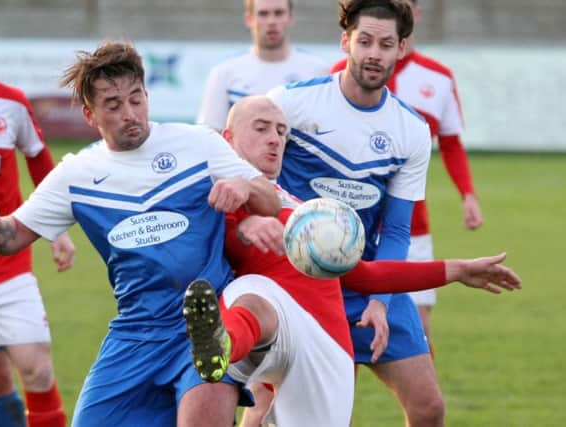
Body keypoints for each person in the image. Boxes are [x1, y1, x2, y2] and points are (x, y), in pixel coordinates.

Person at [0, 40, 281, 427]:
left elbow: (269, 200)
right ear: (90, 114)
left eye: (136, 99)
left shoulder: (197, 143)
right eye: (113, 105)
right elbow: (9, 238)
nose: (130, 113)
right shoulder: (76, 174)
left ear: (147, 96)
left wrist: (245, 188)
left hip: (205, 327)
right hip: (135, 333)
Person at [182, 96, 521, 426]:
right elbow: (205, 239)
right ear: (228, 138)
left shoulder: (301, 209)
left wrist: (457, 270)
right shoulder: (212, 192)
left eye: (282, 131)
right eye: (261, 128)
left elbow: (366, 276)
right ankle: (221, 344)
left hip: (325, 344)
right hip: (266, 326)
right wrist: (244, 225)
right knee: (254, 296)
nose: (275, 139)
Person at [267, 0, 448, 425]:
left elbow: (399, 229)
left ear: (402, 48)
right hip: (300, 281)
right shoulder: (293, 104)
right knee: (284, 412)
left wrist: (381, 302)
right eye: (364, 41)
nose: (374, 53)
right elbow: (250, 173)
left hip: (368, 278)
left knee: (429, 407)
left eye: (386, 44)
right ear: (345, 40)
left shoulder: (410, 130)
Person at [330, 0, 483, 356]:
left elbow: (450, 142)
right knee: (343, 337)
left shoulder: (439, 77)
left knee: (419, 329)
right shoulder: (342, 71)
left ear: (415, 14)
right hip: (350, 227)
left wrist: (468, 195)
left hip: (411, 225)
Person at [0, 14, 74, 427]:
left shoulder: (8, 104)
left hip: (5, 269)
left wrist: (56, 229)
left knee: (37, 369)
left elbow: (40, 160)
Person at [197, 0, 329, 132]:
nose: (271, 21)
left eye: (279, 13)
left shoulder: (318, 71)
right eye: (263, 14)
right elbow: (210, 134)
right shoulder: (223, 72)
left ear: (290, 18)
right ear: (249, 19)